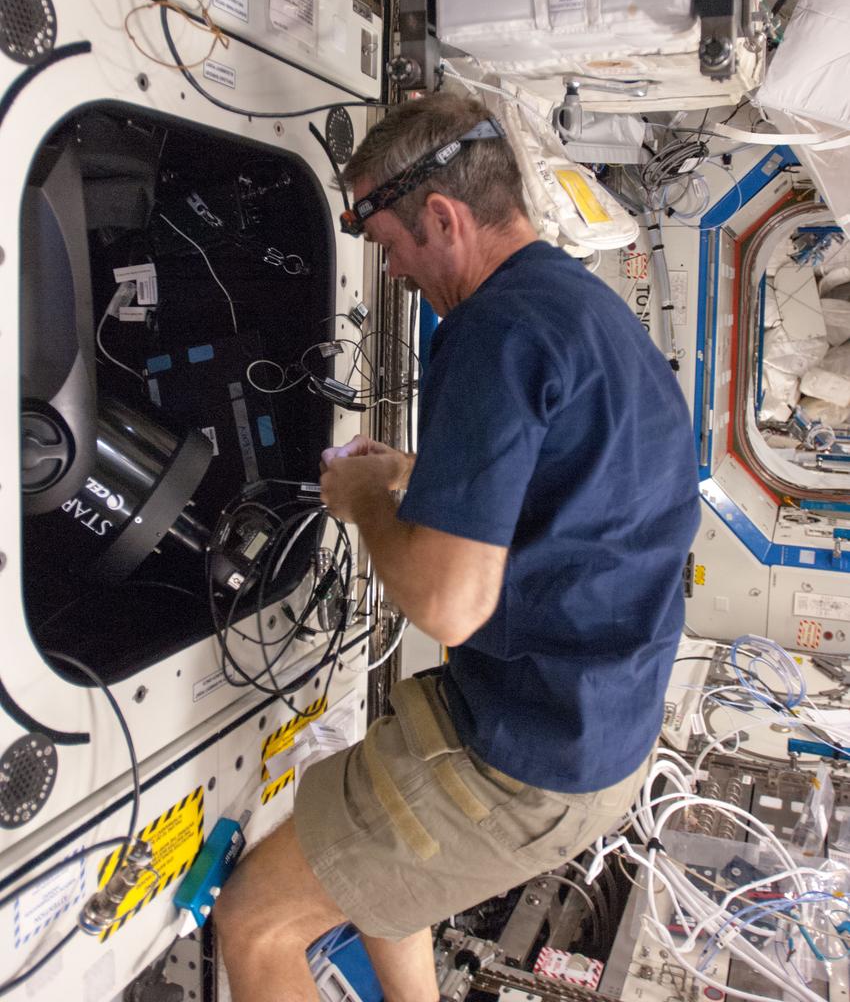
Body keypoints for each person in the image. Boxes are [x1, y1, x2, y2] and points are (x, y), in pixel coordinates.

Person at [215, 91, 701, 1002]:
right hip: (597, 731)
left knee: (257, 921)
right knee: (381, 882)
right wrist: (415, 477)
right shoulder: (580, 308)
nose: (392, 275)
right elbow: (571, 492)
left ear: (442, 216)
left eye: (392, 249)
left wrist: (363, 501)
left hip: (530, 758)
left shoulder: (489, 332)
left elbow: (446, 605)